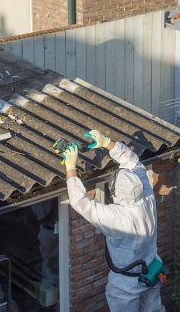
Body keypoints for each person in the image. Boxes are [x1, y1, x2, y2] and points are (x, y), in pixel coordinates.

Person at [63, 130, 165, 312]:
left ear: (115, 192)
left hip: (126, 282)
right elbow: (133, 161)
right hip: (152, 268)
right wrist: (107, 142)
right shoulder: (147, 195)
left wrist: (71, 168)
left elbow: (80, 202)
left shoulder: (116, 217)